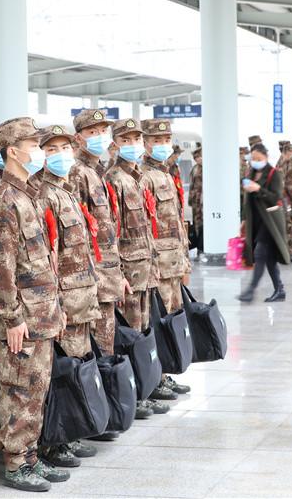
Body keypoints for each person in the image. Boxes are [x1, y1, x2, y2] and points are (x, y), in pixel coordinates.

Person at [0, 117, 70, 492]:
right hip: (21, 320)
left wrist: (56, 308)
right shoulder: (5, 201)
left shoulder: (27, 195)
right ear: (13, 152)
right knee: (19, 390)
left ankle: (30, 455)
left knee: (36, 391)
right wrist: (12, 318)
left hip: (40, 315)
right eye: (33, 145)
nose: (40, 151)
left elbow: (41, 262)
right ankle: (16, 462)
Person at [36, 124, 101, 467]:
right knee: (59, 373)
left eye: (64, 148)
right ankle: (53, 441)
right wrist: (56, 304)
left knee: (74, 367)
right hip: (64, 300)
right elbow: (48, 258)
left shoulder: (66, 191)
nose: (61, 155)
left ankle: (67, 434)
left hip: (81, 297)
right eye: (51, 149)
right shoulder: (44, 195)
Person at [105, 118, 166, 418]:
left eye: (137, 139)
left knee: (142, 333)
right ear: (115, 144)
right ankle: (133, 395)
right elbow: (110, 233)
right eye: (126, 140)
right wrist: (117, 275)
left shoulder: (137, 177)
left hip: (143, 270)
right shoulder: (114, 179)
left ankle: (145, 388)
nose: (133, 145)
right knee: (128, 335)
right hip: (128, 273)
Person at [140, 118, 191, 399]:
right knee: (157, 323)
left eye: (166, 140)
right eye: (156, 140)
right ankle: (156, 379)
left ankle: (165, 374)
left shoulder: (167, 173)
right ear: (146, 143)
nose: (162, 145)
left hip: (173, 263)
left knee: (171, 321)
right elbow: (144, 226)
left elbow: (178, 223)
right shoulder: (145, 176)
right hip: (158, 265)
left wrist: (185, 262)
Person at [69, 109, 124, 362]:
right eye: (92, 132)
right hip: (93, 278)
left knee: (107, 343)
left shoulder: (97, 171)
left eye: (103, 131)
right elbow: (77, 232)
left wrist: (117, 274)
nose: (100, 136)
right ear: (78, 138)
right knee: (97, 347)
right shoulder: (77, 172)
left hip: (107, 274)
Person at [237, 143, 289, 303]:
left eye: (258, 158)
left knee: (259, 253)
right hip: (256, 222)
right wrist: (244, 220)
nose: (255, 161)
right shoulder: (251, 173)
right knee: (269, 258)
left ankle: (250, 290)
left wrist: (258, 189)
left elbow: (276, 198)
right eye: (253, 158)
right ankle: (279, 290)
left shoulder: (274, 173)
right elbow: (247, 201)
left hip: (270, 221)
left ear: (266, 157)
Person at [188, 146, 203, 255]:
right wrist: (190, 199)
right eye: (196, 157)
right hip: (196, 202)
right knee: (196, 224)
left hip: (204, 201)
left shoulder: (208, 167)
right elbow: (191, 185)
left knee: (203, 225)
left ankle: (202, 246)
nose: (198, 159)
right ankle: (198, 247)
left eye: (199, 156)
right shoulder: (195, 169)